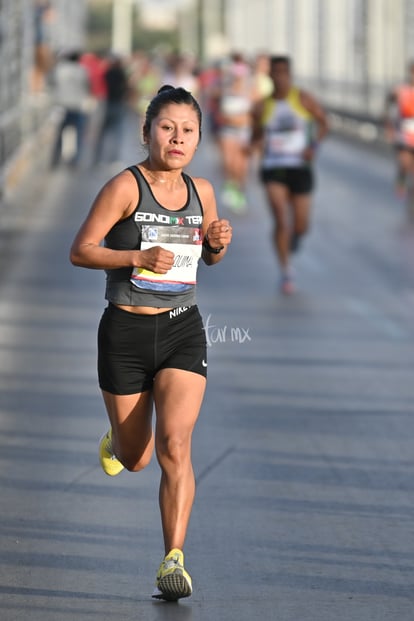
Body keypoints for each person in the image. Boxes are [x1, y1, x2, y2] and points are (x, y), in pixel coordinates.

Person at [70, 85, 232, 601]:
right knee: (137, 457)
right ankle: (116, 439)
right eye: (167, 128)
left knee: (176, 447)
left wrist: (217, 245)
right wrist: (135, 258)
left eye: (187, 130)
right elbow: (81, 250)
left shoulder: (202, 191)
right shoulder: (125, 185)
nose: (177, 138)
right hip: (125, 331)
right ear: (147, 133)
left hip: (183, 327)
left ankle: (172, 559)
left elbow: (207, 259)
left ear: (199, 138)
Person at [251, 55, 329, 294]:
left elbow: (323, 123)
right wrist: (252, 148)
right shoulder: (262, 106)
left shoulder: (303, 99)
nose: (280, 76)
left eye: (285, 72)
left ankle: (296, 237)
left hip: (300, 166)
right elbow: (255, 136)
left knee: (301, 225)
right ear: (270, 75)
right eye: (276, 72)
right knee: (280, 220)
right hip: (274, 167)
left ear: (290, 74)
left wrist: (313, 147)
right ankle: (286, 271)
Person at [216, 53, 255, 212]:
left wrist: (243, 120)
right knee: (228, 163)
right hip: (228, 131)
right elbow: (220, 111)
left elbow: (256, 113)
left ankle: (240, 192)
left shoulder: (251, 90)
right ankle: (230, 187)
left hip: (245, 132)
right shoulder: (226, 89)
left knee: (241, 167)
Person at [50, 50, 91, 168]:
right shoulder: (82, 70)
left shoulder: (59, 70)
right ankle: (75, 161)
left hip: (61, 106)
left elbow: (52, 83)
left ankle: (55, 160)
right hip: (77, 106)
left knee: (59, 134)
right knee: (78, 134)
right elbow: (87, 86)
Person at [385, 60, 414, 201]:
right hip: (405, 133)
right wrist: (389, 126)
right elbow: (387, 104)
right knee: (405, 162)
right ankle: (402, 179)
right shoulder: (400, 90)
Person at [93, 54, 130, 166]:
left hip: (109, 103)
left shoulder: (108, 73)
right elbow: (126, 87)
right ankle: (114, 158)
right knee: (118, 132)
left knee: (104, 132)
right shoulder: (122, 74)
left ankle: (98, 157)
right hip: (118, 104)